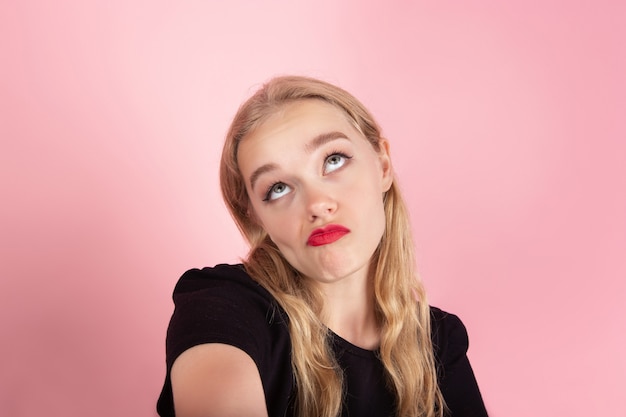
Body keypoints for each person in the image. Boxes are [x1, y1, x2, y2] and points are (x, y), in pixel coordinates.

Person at [156, 75, 488, 417]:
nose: (316, 203)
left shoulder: (437, 342)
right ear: (258, 218)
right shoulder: (224, 307)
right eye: (278, 188)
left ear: (383, 165)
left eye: (333, 160)